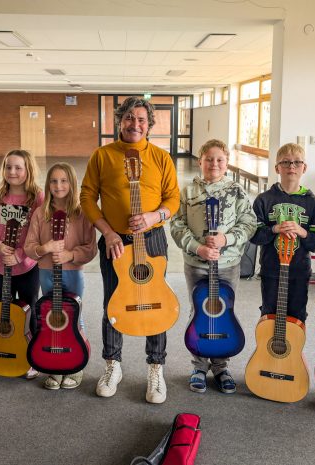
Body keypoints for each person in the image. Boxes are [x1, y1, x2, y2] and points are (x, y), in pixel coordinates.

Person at [80, 96, 180, 404]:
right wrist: (108, 232)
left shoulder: (161, 158)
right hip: (116, 241)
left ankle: (155, 368)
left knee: (157, 301)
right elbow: (86, 198)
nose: (134, 124)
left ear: (149, 125)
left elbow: (173, 199)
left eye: (141, 119)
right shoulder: (103, 155)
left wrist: (154, 216)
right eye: (129, 118)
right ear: (119, 121)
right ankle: (112, 365)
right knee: (114, 302)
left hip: (152, 239)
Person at [170, 139, 256, 394]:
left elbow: (249, 223)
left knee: (223, 310)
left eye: (220, 160)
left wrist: (225, 240)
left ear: (227, 163)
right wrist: (199, 248)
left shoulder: (237, 191)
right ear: (200, 162)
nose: (214, 164)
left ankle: (220, 366)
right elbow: (177, 225)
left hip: (228, 264)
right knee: (199, 309)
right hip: (196, 263)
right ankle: (198, 365)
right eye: (209, 159)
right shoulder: (188, 192)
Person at [24, 162, 97, 390]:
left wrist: (69, 254)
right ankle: (56, 365)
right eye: (54, 181)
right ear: (48, 184)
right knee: (52, 318)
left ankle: (76, 365)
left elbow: (91, 248)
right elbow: (29, 247)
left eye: (64, 180)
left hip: (73, 272)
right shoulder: (40, 213)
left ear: (72, 183)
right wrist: (45, 248)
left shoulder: (81, 212)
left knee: (75, 317)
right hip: (46, 272)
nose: (58, 185)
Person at [0, 149, 43, 380]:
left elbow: (39, 233)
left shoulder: (37, 197)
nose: (12, 172)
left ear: (28, 170)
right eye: (8, 167)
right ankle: (0, 352)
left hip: (27, 266)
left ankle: (31, 357)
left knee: (31, 312)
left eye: (18, 167)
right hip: (0, 266)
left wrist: (20, 255)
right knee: (2, 311)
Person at [250, 142, 315, 324]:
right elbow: (255, 236)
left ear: (304, 168)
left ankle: (294, 353)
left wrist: (301, 231)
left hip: (299, 270)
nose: (291, 166)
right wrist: (275, 229)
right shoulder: (263, 200)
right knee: (269, 314)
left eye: (297, 162)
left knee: (297, 316)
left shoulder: (313, 203)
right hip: (271, 269)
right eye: (285, 162)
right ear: (277, 168)